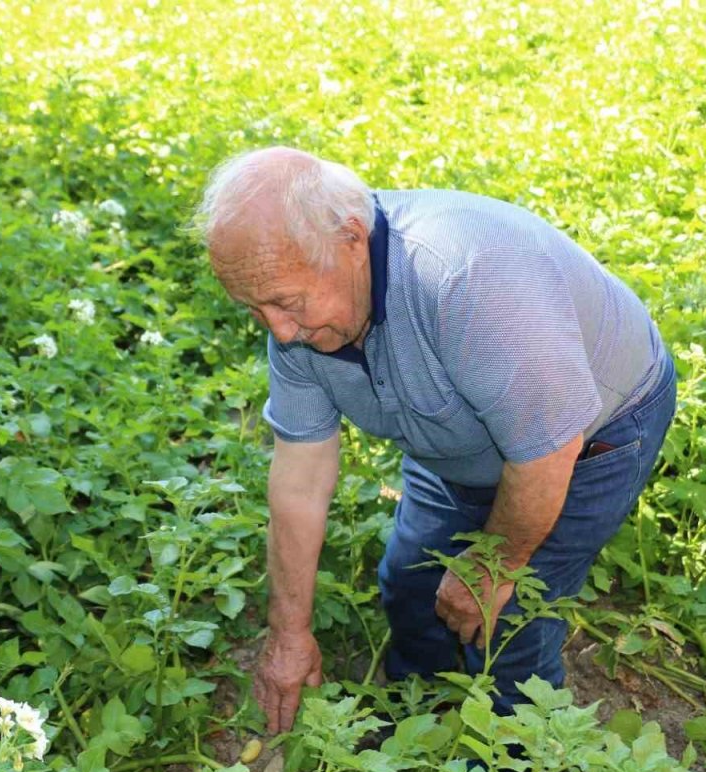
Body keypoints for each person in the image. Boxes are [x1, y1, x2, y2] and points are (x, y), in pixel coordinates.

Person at [194, 146, 676, 734]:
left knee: (507, 624)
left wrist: (491, 566)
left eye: (287, 303)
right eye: (254, 309)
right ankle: (417, 726)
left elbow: (548, 450)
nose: (279, 330)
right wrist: (288, 634)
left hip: (589, 435)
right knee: (412, 584)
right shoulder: (301, 319)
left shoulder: (465, 278)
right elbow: (300, 480)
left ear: (351, 238)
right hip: (459, 444)